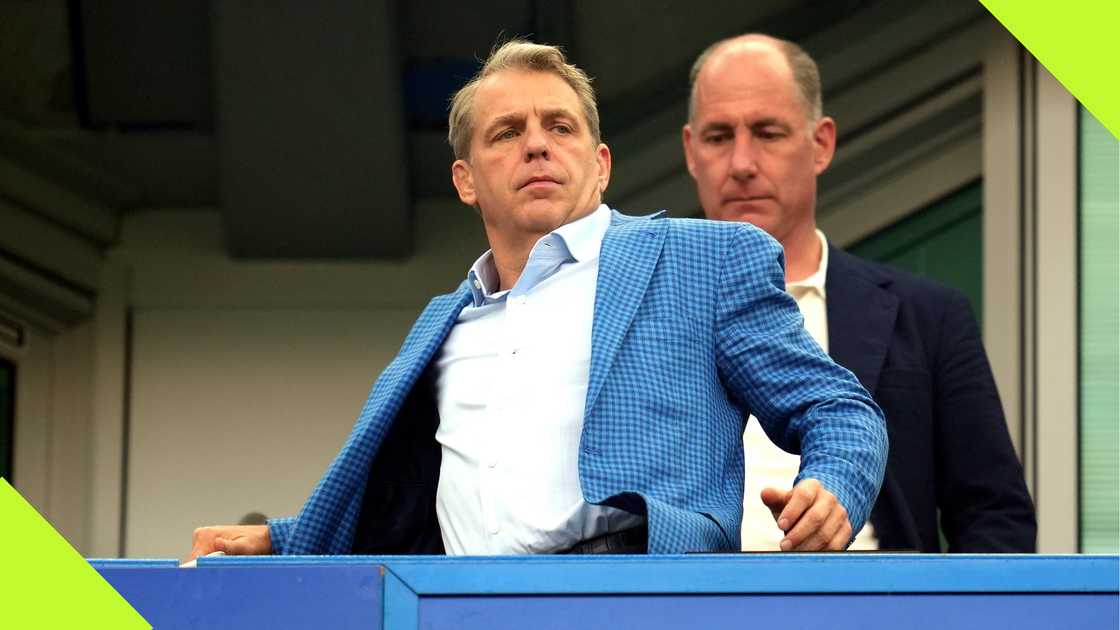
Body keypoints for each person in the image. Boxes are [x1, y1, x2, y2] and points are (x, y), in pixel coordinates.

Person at [188, 40, 887, 560]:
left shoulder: (701, 261)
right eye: (506, 133)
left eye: (560, 127)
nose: (537, 146)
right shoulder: (442, 324)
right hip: (460, 605)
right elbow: (389, 503)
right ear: (465, 180)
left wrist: (833, 488)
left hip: (636, 598)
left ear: (600, 164)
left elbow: (838, 408)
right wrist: (282, 541)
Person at [682, 34, 1036, 552]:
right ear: (690, 152)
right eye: (718, 137)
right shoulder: (638, 310)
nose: (741, 163)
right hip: (686, 591)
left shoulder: (928, 316)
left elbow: (995, 518)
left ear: (821, 144)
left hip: (875, 591)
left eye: (767, 133)